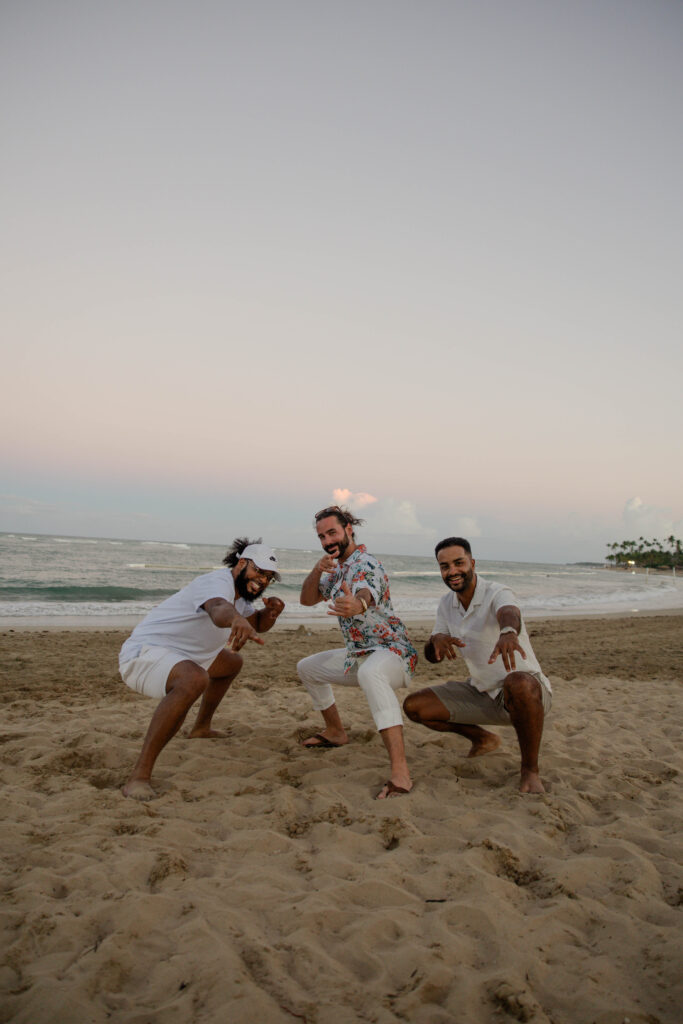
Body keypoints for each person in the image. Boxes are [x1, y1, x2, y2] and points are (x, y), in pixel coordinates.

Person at [118, 538, 284, 800]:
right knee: (195, 679)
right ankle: (138, 777)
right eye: (258, 571)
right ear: (242, 563)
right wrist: (236, 619)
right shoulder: (217, 583)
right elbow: (219, 611)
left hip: (182, 657)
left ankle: (201, 728)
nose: (262, 580)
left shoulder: (241, 599)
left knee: (231, 663)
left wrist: (272, 613)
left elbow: (258, 624)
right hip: (144, 654)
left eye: (268, 577)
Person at [403, 536, 552, 793]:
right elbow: (431, 654)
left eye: (458, 563)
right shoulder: (445, 604)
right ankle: (483, 738)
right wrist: (435, 641)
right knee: (415, 706)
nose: (452, 571)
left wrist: (508, 632)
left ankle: (530, 771)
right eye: (445, 566)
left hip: (529, 695)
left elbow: (510, 612)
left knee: (517, 680)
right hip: (482, 692)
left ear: (472, 563)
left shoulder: (497, 591)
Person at [297, 505, 418, 799]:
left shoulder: (367, 564)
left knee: (372, 672)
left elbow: (366, 592)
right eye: (322, 536)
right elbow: (306, 599)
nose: (327, 541)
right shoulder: (336, 568)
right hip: (358, 655)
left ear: (349, 529)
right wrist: (317, 569)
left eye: (332, 532)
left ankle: (400, 772)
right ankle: (335, 731)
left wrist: (358, 605)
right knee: (307, 668)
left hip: (394, 654)